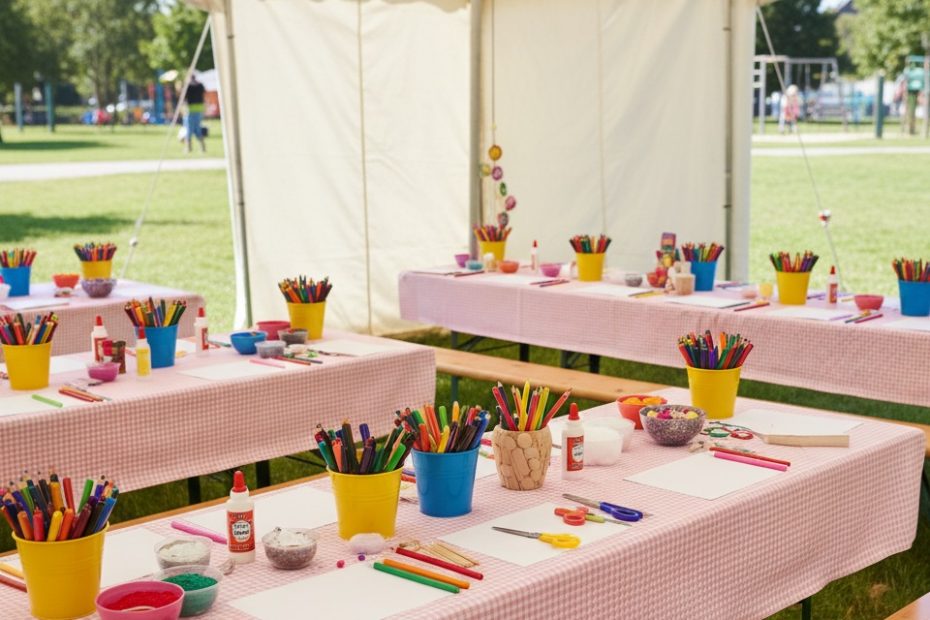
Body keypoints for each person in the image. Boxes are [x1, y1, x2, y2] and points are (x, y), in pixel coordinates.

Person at [182, 75, 206, 153]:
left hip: (191, 109)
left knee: (189, 128)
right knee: (197, 128)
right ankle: (202, 147)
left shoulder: (188, 87)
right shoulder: (200, 85)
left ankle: (188, 148)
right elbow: (203, 93)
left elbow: (183, 97)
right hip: (199, 108)